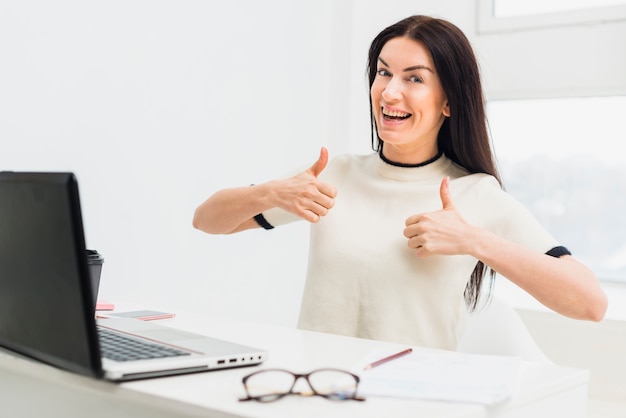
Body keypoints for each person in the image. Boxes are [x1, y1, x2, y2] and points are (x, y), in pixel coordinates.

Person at [193, 15, 607, 350]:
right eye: (383, 73)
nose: (389, 92)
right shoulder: (335, 173)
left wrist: (474, 241)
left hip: (414, 401)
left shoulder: (474, 194)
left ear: (449, 101)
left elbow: (590, 302)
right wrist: (269, 193)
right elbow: (206, 220)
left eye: (414, 78)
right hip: (316, 392)